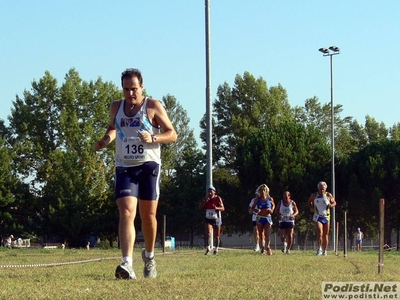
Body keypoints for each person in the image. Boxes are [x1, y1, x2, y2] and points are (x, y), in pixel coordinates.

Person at [94, 68, 177, 279]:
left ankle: (149, 257)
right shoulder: (116, 107)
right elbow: (113, 128)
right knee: (126, 212)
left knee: (148, 217)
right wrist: (105, 140)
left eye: (134, 89)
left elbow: (172, 134)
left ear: (142, 87)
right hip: (124, 166)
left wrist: (153, 138)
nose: (130, 93)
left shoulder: (153, 106)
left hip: (148, 166)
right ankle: (126, 263)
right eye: (126, 89)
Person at [308, 181, 336, 256]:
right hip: (318, 216)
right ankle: (319, 248)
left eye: (323, 189)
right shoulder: (314, 195)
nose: (322, 190)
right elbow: (309, 201)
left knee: (325, 234)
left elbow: (334, 202)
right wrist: (311, 208)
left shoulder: (328, 195)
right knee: (320, 233)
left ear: (325, 188)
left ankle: (325, 250)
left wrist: (331, 205)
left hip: (326, 217)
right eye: (320, 189)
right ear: (318, 189)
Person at [199, 185, 225, 255]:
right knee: (208, 233)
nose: (210, 193)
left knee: (217, 235)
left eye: (211, 192)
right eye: (208, 192)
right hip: (208, 219)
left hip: (216, 219)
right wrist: (205, 202)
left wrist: (216, 208)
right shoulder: (206, 198)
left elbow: (223, 208)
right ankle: (208, 248)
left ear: (214, 192)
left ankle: (216, 249)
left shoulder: (218, 198)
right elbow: (200, 207)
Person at [251, 184, 275, 255]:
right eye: (261, 190)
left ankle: (268, 247)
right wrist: (256, 211)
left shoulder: (270, 199)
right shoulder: (257, 200)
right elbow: (252, 208)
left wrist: (271, 210)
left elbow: (273, 205)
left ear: (266, 191)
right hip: (260, 217)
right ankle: (263, 248)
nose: (262, 192)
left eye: (264, 190)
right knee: (261, 234)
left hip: (267, 218)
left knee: (267, 234)